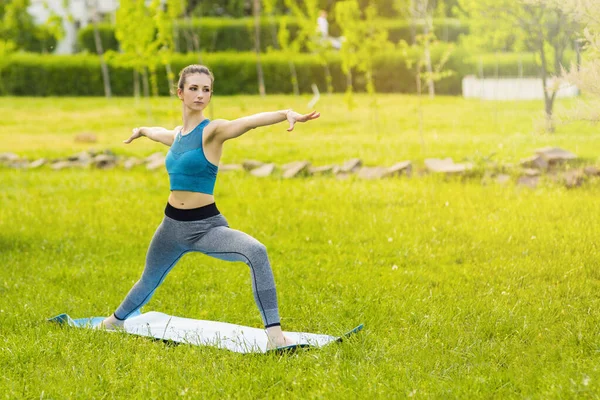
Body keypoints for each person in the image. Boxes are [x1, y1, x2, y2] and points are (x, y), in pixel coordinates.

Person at [99, 64, 320, 350]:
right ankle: (116, 320)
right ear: (180, 93)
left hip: (205, 227)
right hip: (170, 226)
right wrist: (142, 130)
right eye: (193, 88)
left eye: (206, 89)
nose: (200, 94)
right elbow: (159, 133)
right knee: (148, 279)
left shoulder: (213, 132)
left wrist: (284, 114)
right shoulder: (177, 135)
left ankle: (275, 334)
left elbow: (248, 121)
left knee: (256, 251)